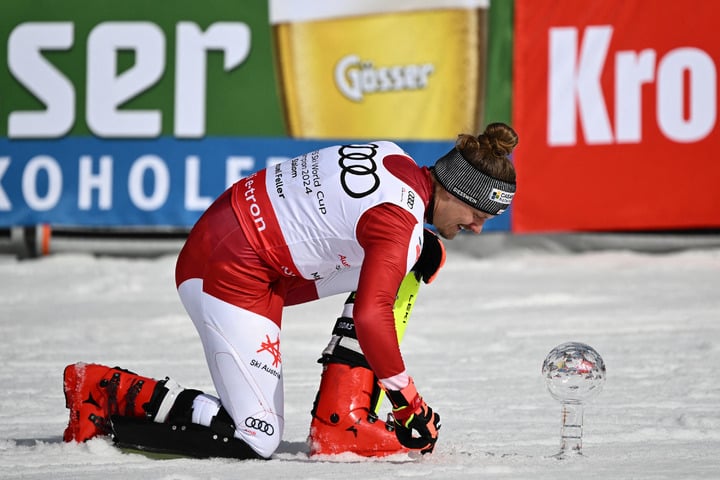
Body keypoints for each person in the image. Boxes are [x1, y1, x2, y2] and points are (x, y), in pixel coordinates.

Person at [62, 122, 518, 459]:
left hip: (241, 245)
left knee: (416, 255)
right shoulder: (397, 221)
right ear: (455, 190)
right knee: (255, 437)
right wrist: (409, 403)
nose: (477, 228)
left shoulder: (394, 157)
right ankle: (104, 391)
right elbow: (371, 317)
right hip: (227, 269)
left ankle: (342, 417)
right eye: (478, 213)